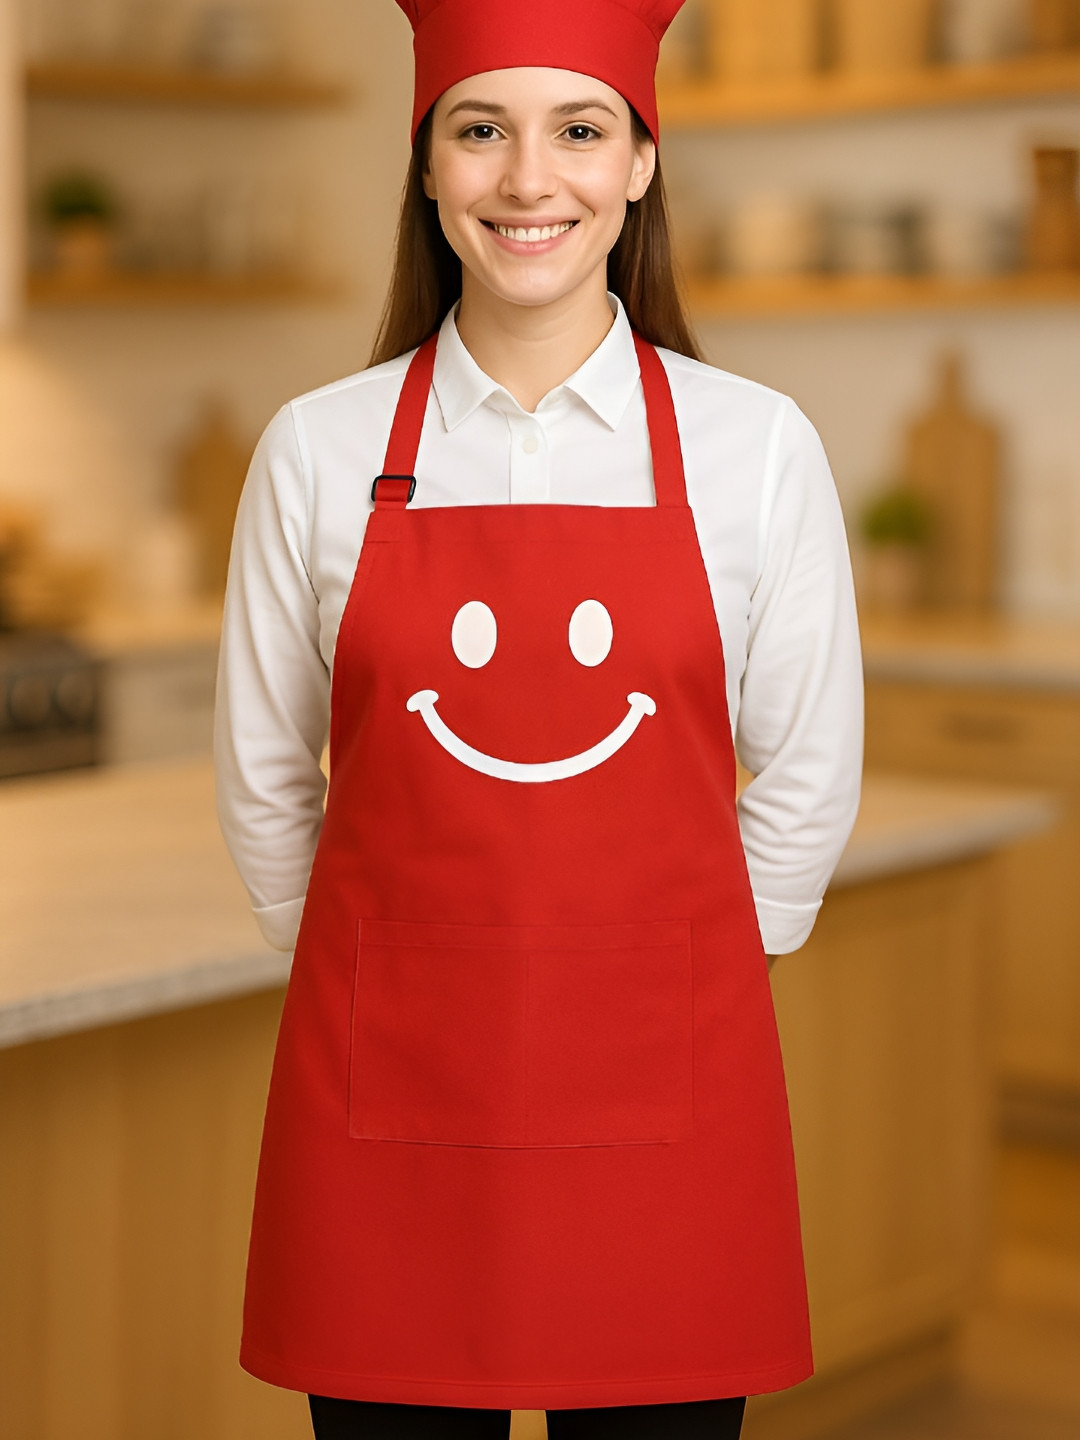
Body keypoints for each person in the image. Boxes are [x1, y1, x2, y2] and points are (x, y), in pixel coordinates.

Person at [214, 1, 864, 1436]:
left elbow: (809, 770)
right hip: (389, 1100)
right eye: (479, 130)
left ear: (639, 162)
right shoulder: (319, 449)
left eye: (578, 130)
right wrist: (372, 957)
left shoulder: (754, 447)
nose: (529, 181)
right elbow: (266, 774)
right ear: (427, 164)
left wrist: (671, 957)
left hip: (667, 1101)